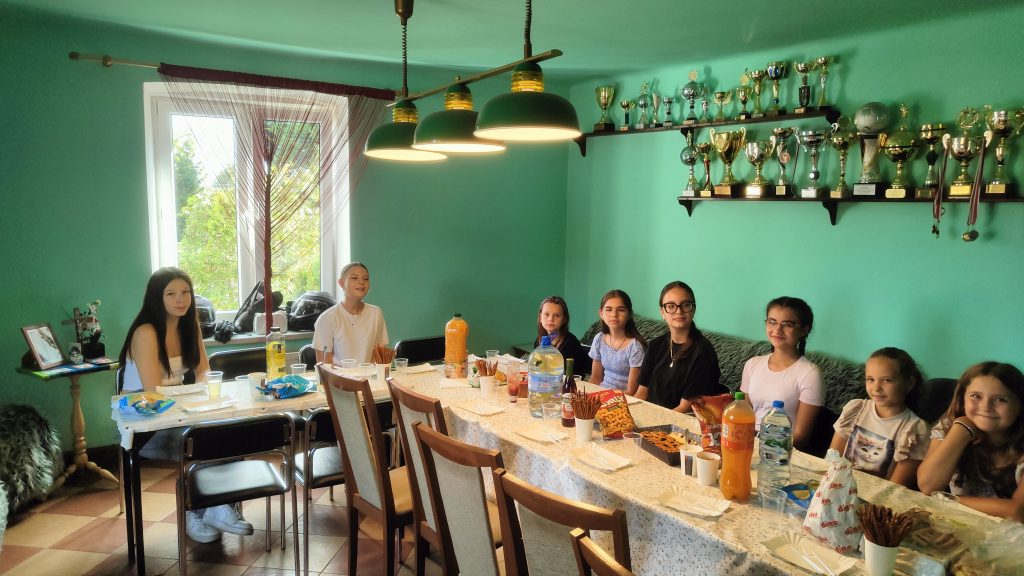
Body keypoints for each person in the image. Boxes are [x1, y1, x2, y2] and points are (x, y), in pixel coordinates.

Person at [117, 267, 252, 544]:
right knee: (205, 439)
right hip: (143, 422)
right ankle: (197, 511)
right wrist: (195, 402)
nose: (180, 299)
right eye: (171, 294)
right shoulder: (145, 333)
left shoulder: (190, 326)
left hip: (178, 411)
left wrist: (201, 396)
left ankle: (215, 508)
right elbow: (154, 392)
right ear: (157, 297)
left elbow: (204, 371)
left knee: (234, 431)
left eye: (185, 292)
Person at [918, 362, 1024, 521]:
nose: (985, 407)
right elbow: (928, 486)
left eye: (1000, 399)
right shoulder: (949, 427)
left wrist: (946, 501)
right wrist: (961, 429)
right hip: (961, 524)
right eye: (976, 396)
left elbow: (1018, 512)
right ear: (963, 399)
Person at [829, 347, 930, 488]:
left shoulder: (915, 429)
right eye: (870, 379)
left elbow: (896, 487)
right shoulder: (855, 409)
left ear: (909, 383)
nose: (876, 387)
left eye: (887, 380)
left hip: (877, 498)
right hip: (838, 488)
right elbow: (832, 460)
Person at [740, 296, 823, 450]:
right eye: (772, 322)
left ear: (804, 329)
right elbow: (744, 414)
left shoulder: (810, 374)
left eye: (787, 325)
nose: (777, 330)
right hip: (747, 442)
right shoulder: (752, 364)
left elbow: (801, 436)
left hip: (780, 451)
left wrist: (765, 447)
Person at [636, 281, 724, 412]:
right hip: (650, 415)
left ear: (693, 309)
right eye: (671, 306)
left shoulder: (703, 352)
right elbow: (642, 393)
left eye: (685, 305)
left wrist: (653, 422)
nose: (679, 311)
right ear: (662, 312)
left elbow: (684, 408)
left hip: (681, 420)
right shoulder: (655, 345)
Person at [313, 262, 389, 365]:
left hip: (369, 374)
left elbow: (378, 356)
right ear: (341, 283)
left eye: (366, 279)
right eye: (354, 278)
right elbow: (324, 365)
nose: (361, 282)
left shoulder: (376, 314)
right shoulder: (327, 318)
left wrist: (368, 374)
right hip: (338, 375)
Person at [588, 290, 645, 394]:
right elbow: (595, 379)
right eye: (608, 309)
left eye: (621, 310)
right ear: (601, 313)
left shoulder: (635, 347)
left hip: (623, 398)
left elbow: (631, 391)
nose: (614, 314)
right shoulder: (599, 339)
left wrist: (607, 397)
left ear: (629, 314)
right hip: (601, 393)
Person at [533, 296, 590, 378]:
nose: (550, 319)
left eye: (557, 315)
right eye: (547, 314)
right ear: (540, 317)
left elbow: (571, 377)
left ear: (564, 319)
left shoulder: (571, 344)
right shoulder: (539, 341)